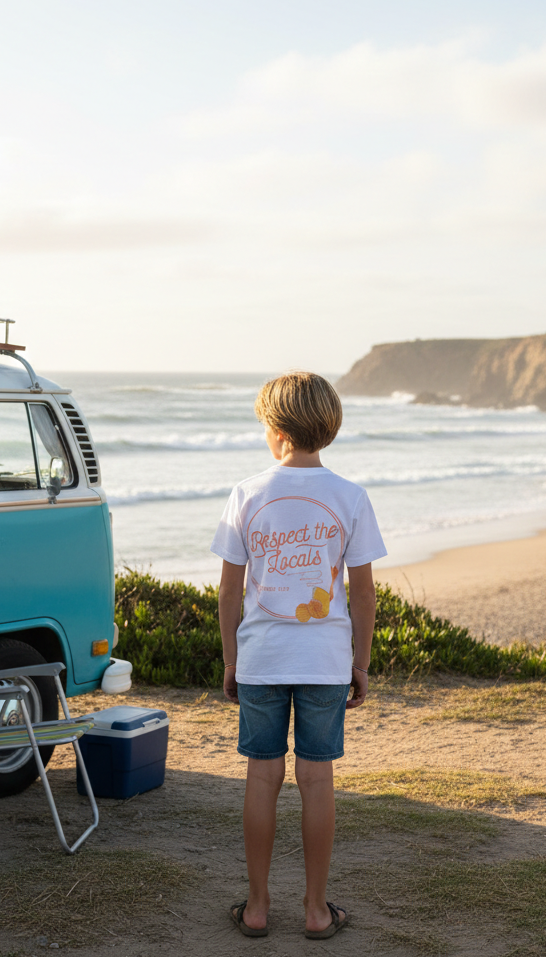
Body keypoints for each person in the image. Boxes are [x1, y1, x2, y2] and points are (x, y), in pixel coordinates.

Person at [212, 371, 386, 940]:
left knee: (261, 778)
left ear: (277, 429)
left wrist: (232, 660)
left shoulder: (247, 493)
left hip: (262, 658)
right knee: (317, 779)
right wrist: (359, 663)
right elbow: (362, 593)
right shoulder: (350, 496)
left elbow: (229, 591)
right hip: (324, 661)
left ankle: (258, 907)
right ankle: (316, 910)